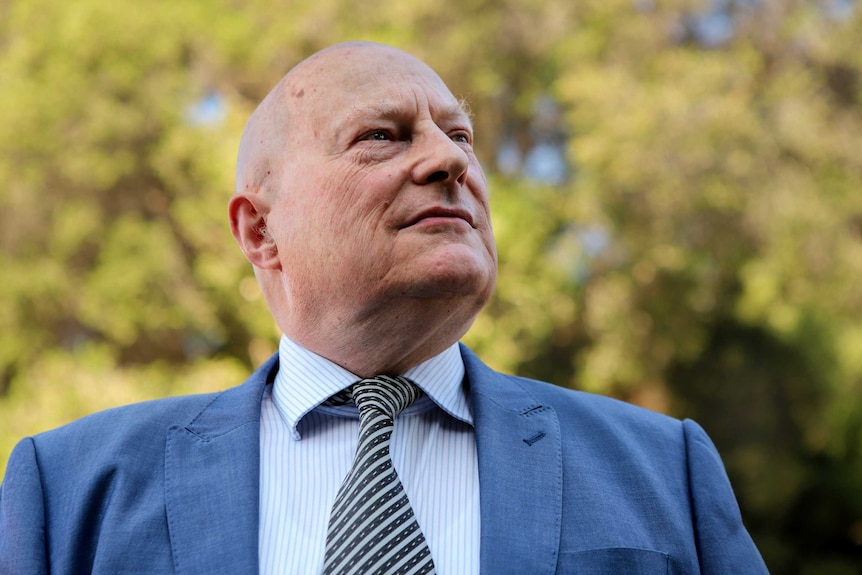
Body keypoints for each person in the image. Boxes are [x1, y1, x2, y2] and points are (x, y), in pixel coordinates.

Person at [0, 41, 769, 574]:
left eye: (460, 133)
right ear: (260, 230)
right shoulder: (70, 491)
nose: (449, 160)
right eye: (382, 136)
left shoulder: (662, 467)